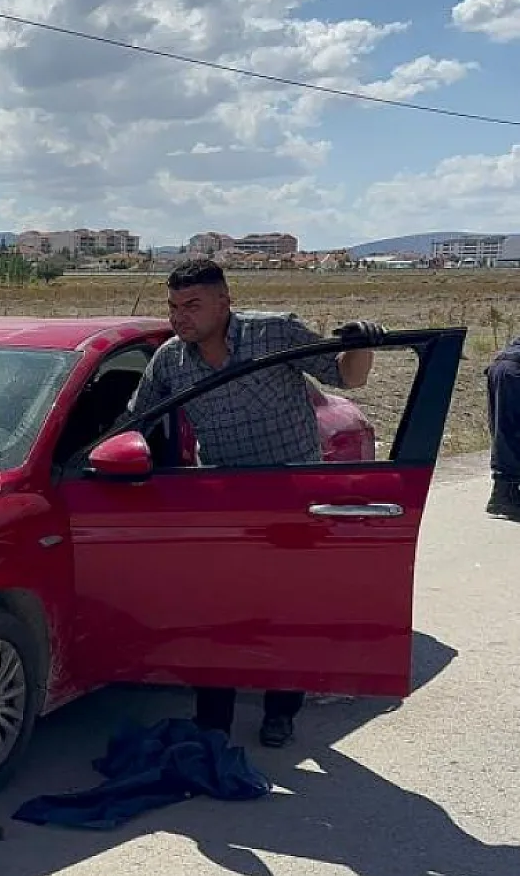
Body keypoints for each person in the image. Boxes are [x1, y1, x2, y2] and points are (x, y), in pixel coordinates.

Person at [128, 259, 383, 748]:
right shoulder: (169, 360)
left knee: (283, 614)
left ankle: (280, 712)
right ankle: (212, 727)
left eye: (192, 305)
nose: (180, 317)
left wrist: (362, 343)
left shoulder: (275, 333)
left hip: (293, 496)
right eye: (173, 306)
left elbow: (346, 377)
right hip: (224, 501)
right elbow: (135, 418)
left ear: (224, 303)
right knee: (215, 616)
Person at [490, 335, 520, 521]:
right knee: (510, 429)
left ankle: (504, 492)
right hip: (513, 370)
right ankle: (505, 495)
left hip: (500, 367)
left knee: (504, 429)